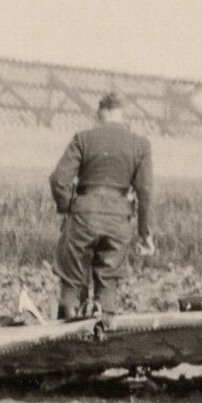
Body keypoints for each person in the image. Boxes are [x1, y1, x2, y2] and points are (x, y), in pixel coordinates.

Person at [49, 93, 155, 318]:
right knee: (108, 285)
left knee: (71, 283)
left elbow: (59, 179)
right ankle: (102, 334)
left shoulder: (83, 138)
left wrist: (69, 207)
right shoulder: (141, 145)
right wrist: (144, 233)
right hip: (119, 219)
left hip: (83, 215)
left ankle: (64, 340)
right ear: (122, 113)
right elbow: (145, 193)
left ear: (101, 112)